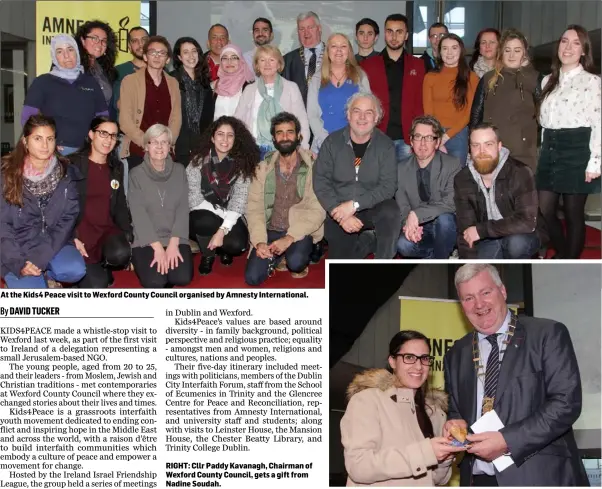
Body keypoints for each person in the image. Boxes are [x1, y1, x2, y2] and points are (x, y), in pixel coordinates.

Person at [443, 263, 590, 486]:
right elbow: (456, 410)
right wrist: (455, 423)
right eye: (468, 298)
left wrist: (507, 440)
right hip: (478, 478)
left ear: (502, 291)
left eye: (485, 292)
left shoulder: (546, 334)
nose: (479, 304)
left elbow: (566, 403)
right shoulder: (456, 354)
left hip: (538, 476)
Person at [341, 330, 464, 486]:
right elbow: (359, 467)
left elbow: (435, 479)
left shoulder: (435, 413)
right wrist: (426, 452)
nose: (419, 366)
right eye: (409, 358)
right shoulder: (368, 400)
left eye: (424, 358)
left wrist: (445, 457)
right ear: (392, 361)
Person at [537, 25, 601, 259]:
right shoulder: (547, 81)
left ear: (584, 50)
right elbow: (544, 123)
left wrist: (595, 162)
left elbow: (599, 122)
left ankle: (570, 259)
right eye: (565, 41)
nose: (568, 47)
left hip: (577, 148)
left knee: (574, 213)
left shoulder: (592, 81)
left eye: (576, 43)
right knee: (545, 208)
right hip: (550, 149)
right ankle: (564, 252)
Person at [1, 115, 85, 288]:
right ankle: (38, 278)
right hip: (18, 247)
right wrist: (19, 264)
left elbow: (67, 220)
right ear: (25, 141)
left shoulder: (66, 173)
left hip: (52, 242)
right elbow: (3, 228)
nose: (45, 145)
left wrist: (40, 258)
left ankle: (47, 272)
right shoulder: (7, 175)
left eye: (50, 139)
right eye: (38, 138)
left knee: (75, 269)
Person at [313, 92, 400, 259]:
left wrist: (355, 205)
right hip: (338, 209)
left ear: (376, 118)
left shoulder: (386, 145)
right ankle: (368, 241)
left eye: (369, 112)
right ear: (348, 114)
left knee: (391, 211)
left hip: (370, 207)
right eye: (356, 111)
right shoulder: (331, 142)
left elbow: (388, 186)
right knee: (342, 267)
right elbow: (321, 182)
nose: (362, 117)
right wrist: (339, 214)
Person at [245, 112, 325, 286]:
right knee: (252, 278)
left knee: (296, 263)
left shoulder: (313, 167)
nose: (285, 137)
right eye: (279, 133)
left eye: (290, 132)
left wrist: (289, 238)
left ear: (298, 136)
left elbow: (317, 209)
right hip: (270, 229)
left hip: (298, 229)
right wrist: (259, 242)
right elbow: (254, 209)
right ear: (273, 139)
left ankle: (293, 253)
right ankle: (277, 255)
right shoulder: (262, 169)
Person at [454, 123, 539, 259]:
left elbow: (527, 221)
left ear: (499, 146)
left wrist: (481, 230)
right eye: (476, 145)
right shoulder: (462, 179)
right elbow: (466, 230)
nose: (482, 151)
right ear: (469, 149)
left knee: (517, 244)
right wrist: (468, 264)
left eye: (488, 144)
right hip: (487, 239)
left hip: (519, 234)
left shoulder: (520, 172)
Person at [187, 116, 259, 276]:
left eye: (230, 135)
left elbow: (239, 202)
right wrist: (221, 213)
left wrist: (222, 231)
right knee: (202, 220)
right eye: (220, 134)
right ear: (212, 138)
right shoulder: (197, 162)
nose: (225, 139)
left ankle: (224, 248)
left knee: (237, 245)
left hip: (231, 216)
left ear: (236, 138)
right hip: (204, 214)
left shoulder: (243, 165)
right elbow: (193, 200)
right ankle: (208, 255)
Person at [69, 117, 132, 288]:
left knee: (121, 253)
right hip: (80, 234)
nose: (109, 140)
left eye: (113, 136)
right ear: (91, 134)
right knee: (97, 286)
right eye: (103, 133)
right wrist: (71, 236)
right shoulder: (72, 164)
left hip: (105, 232)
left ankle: (104, 264)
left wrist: (128, 235)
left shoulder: (116, 167)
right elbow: (62, 207)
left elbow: (120, 203)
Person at [128, 124, 193, 288]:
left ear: (170, 147)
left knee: (182, 278)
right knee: (155, 282)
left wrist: (173, 243)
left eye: (164, 142)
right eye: (154, 142)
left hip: (174, 235)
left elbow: (183, 208)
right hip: (147, 238)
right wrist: (157, 248)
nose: (159, 146)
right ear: (146, 146)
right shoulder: (136, 174)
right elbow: (138, 214)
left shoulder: (179, 170)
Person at [22, 34, 109, 156]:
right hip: (54, 152)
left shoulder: (90, 82)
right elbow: (28, 118)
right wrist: (46, 144)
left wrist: (98, 142)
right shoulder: (42, 82)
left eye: (70, 49)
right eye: (59, 51)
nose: (66, 55)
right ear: (54, 56)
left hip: (87, 152)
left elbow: (103, 117)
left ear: (77, 53)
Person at [470, 29, 540, 172]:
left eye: (517, 50)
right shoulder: (488, 78)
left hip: (523, 152)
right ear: (501, 53)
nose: (512, 55)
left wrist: (529, 138)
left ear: (524, 53)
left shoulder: (534, 78)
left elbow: (543, 116)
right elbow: (476, 114)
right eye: (507, 50)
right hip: (494, 150)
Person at [361, 14, 425, 164]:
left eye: (399, 32)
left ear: (406, 35)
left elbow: (421, 103)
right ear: (384, 34)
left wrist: (419, 134)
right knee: (378, 184)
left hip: (408, 139)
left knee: (407, 185)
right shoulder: (368, 66)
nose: (394, 36)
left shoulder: (418, 65)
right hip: (377, 137)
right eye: (390, 31)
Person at [396, 115, 461, 259]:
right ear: (411, 141)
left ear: (437, 143)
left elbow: (451, 203)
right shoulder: (400, 169)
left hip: (445, 226)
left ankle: (439, 258)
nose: (423, 143)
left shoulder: (452, 164)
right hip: (420, 228)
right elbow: (402, 205)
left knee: (445, 220)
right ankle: (436, 256)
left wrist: (417, 214)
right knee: (402, 244)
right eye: (418, 137)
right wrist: (408, 224)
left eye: (429, 138)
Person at [235, 45, 310, 160]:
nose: (267, 64)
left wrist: (303, 147)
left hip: (285, 149)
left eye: (271, 60)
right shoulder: (249, 90)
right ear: (257, 65)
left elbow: (302, 119)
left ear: (279, 64)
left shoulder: (291, 88)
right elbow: (238, 121)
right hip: (253, 150)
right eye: (262, 60)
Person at [119, 35, 181, 171]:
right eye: (153, 52)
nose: (157, 56)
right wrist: (147, 142)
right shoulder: (130, 81)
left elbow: (176, 118)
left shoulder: (173, 83)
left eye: (162, 53)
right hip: (138, 150)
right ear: (145, 57)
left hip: (165, 152)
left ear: (168, 59)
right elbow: (125, 121)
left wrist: (165, 143)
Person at [307, 33, 371, 153]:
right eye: (334, 46)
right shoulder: (316, 78)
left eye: (343, 46)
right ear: (327, 51)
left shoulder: (360, 76)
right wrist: (326, 140)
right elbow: (312, 114)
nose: (339, 50)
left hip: (354, 145)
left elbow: (368, 112)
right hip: (324, 145)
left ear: (349, 51)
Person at [423, 33, 479, 165]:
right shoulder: (430, 77)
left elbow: (469, 113)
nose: (449, 52)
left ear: (461, 51)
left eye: (454, 48)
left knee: (456, 178)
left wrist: (447, 136)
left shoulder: (471, 77)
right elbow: (428, 111)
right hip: (434, 132)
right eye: (445, 48)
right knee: (435, 176)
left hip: (459, 134)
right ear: (439, 51)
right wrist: (436, 136)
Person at [170, 37, 215, 166]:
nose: (191, 56)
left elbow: (208, 116)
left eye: (194, 51)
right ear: (179, 57)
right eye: (186, 52)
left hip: (201, 144)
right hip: (179, 144)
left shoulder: (205, 81)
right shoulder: (172, 80)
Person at [282, 11, 325, 107]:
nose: (306, 33)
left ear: (319, 28)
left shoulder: (334, 56)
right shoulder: (288, 60)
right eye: (301, 29)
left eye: (310, 27)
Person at [75, 20, 118, 110]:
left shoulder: (107, 71)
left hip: (102, 122)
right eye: (94, 38)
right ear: (83, 40)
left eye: (104, 41)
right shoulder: (70, 67)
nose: (99, 44)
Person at [112, 26, 149, 120]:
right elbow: (119, 105)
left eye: (144, 40)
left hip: (156, 130)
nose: (140, 44)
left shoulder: (162, 70)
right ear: (129, 46)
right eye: (135, 41)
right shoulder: (118, 71)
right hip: (127, 131)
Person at [213, 44, 255, 120]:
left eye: (234, 58)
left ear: (241, 61)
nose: (229, 62)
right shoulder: (215, 85)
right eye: (225, 58)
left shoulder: (250, 87)